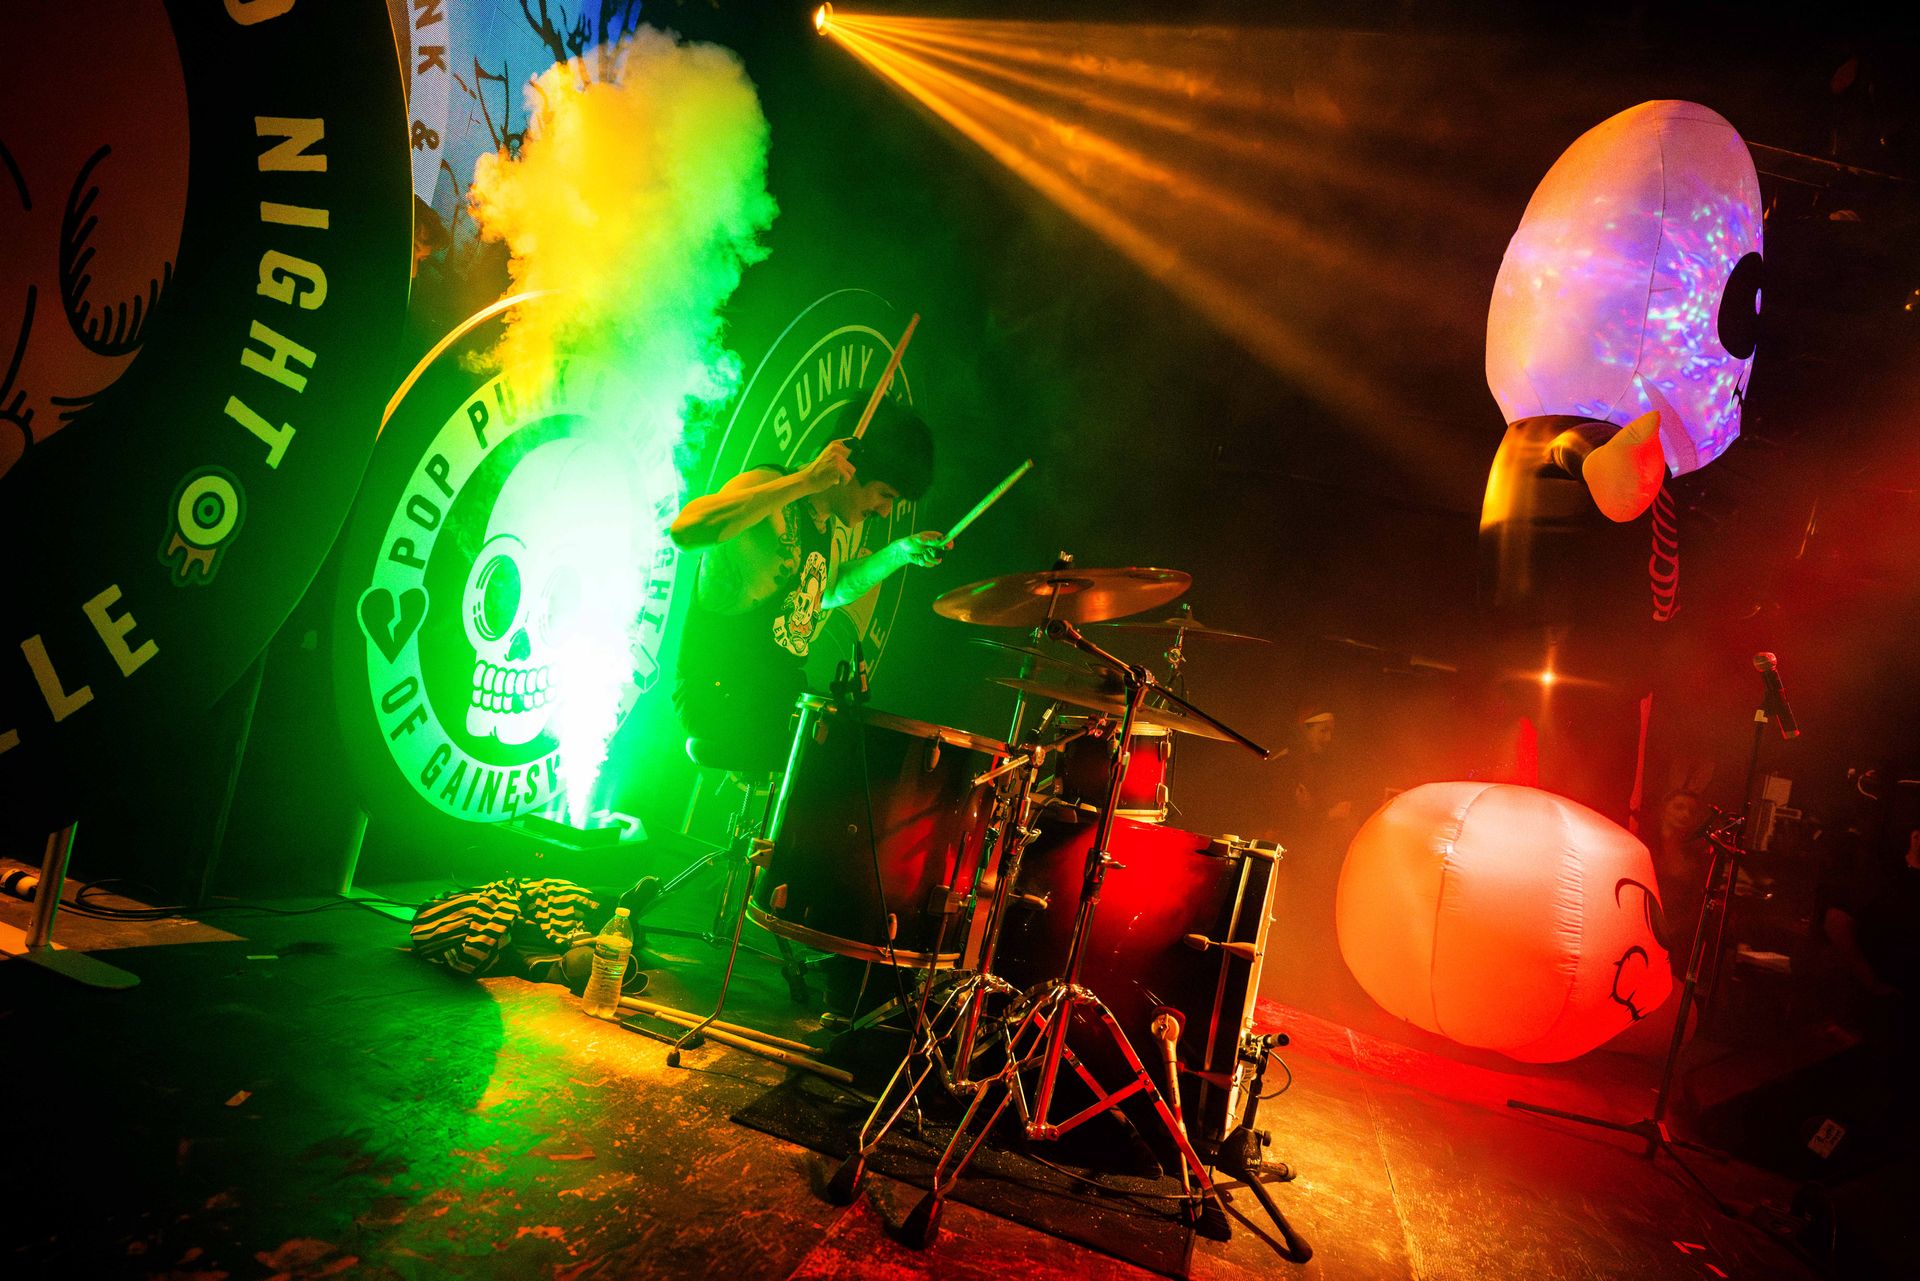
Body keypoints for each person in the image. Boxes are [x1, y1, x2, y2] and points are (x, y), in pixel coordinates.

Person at [667, 398, 942, 771]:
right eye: (885, 495)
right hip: (719, 696)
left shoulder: (822, 525)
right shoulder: (770, 485)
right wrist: (804, 481)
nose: (884, 511)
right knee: (844, 766)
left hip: (773, 695)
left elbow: (830, 592)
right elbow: (686, 531)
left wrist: (900, 552)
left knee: (871, 749)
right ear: (851, 467)